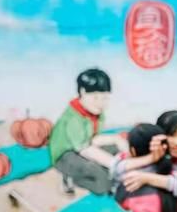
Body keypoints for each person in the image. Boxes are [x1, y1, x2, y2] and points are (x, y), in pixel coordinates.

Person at [49, 68, 124, 196]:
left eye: (105, 98)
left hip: (84, 147)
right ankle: (71, 179)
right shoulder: (73, 118)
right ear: (83, 92)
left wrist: (117, 140)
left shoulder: (97, 113)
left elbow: (94, 139)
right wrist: (114, 164)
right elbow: (84, 149)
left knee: (116, 151)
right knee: (101, 177)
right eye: (95, 98)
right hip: (66, 155)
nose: (101, 103)